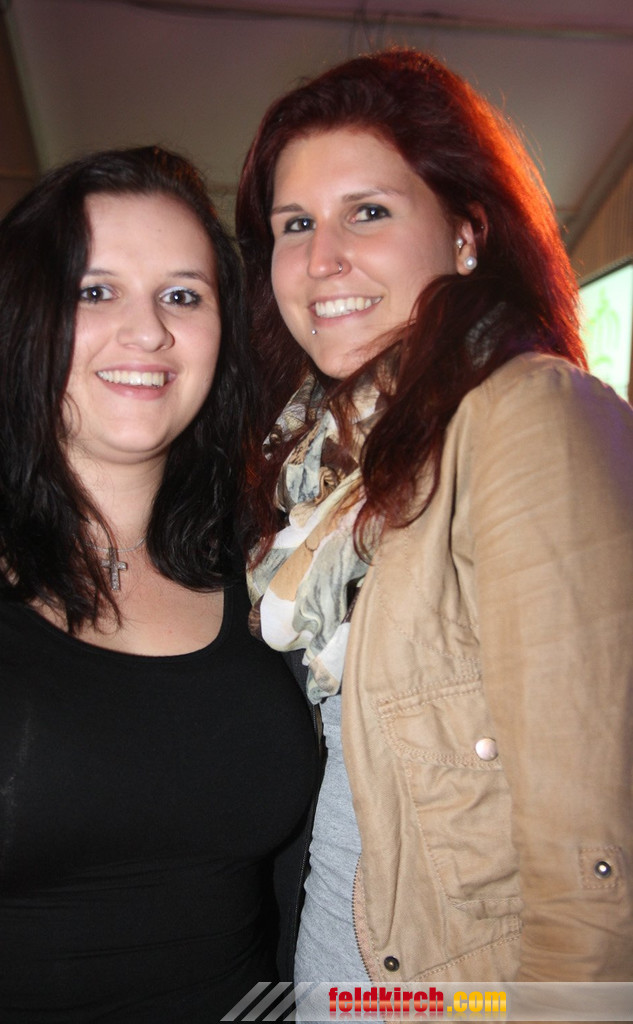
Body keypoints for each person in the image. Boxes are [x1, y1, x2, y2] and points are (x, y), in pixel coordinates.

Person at [236, 47, 633, 990]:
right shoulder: (327, 468)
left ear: (465, 234)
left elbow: (595, 862)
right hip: (340, 973)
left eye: (367, 212)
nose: (321, 258)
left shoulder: (528, 417)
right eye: (296, 224)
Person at [0, 146, 316, 1021]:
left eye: (182, 296)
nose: (147, 331)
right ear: (23, 315)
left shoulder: (272, 562)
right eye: (95, 290)